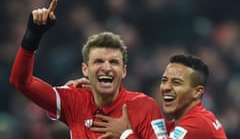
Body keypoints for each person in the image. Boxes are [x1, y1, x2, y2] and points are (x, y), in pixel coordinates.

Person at [9, 0, 169, 139]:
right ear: (85, 69)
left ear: (124, 71)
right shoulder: (75, 100)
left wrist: (126, 134)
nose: (106, 67)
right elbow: (21, 82)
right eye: (98, 61)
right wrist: (32, 37)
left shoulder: (145, 106)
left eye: (113, 62)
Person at [68, 54, 227, 139]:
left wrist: (125, 134)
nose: (166, 88)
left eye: (176, 82)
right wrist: (101, 88)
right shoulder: (180, 124)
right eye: (164, 80)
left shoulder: (196, 125)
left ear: (197, 92)